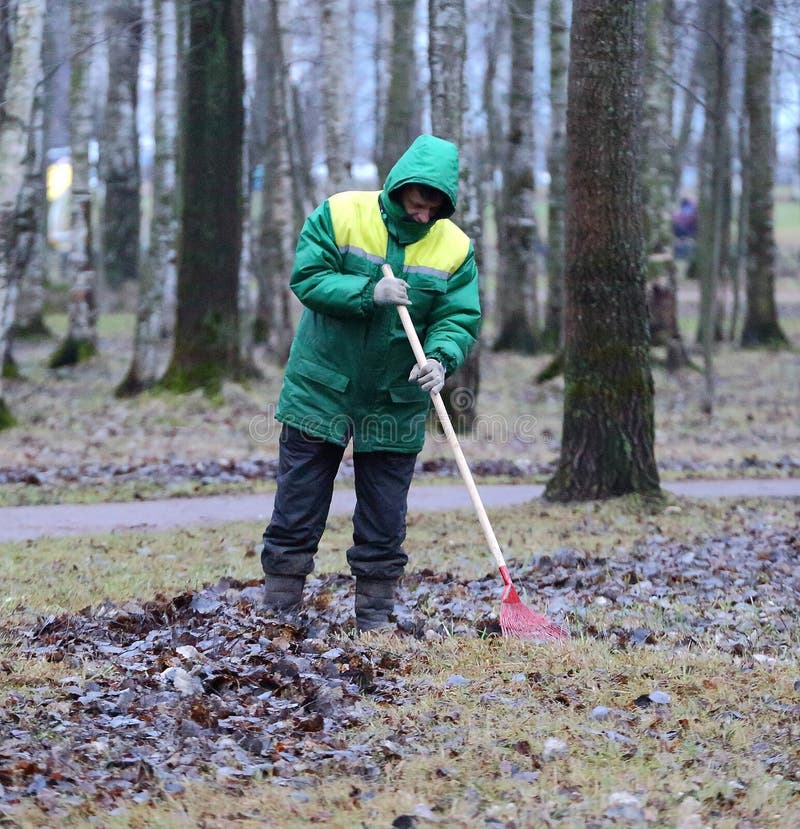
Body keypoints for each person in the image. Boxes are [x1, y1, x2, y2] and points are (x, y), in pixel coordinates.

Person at [260, 134, 481, 632]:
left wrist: (442, 359)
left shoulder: (455, 246)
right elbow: (308, 278)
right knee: (299, 499)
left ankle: (375, 615)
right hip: (321, 385)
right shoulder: (341, 214)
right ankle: (279, 607)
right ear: (399, 187)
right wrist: (368, 291)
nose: (424, 217)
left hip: (395, 395)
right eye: (418, 204)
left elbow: (458, 317)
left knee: (385, 510)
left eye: (434, 209)